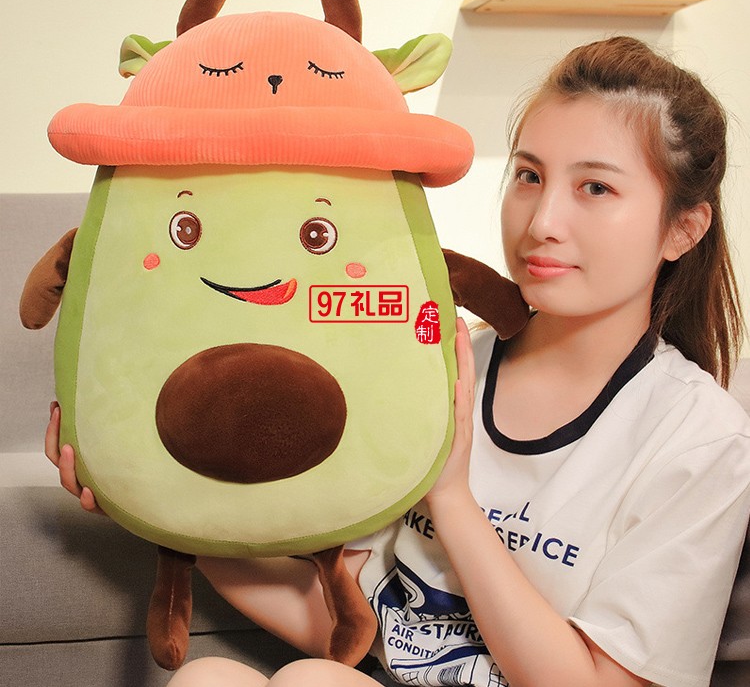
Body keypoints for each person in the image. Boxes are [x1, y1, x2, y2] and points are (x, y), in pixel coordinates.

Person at [47, 36, 750, 687]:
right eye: (529, 176)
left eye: (595, 188)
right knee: (213, 679)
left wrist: (451, 498)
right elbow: (348, 622)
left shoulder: (701, 443)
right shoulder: (438, 360)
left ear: (682, 229)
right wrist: (150, 497)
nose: (542, 222)